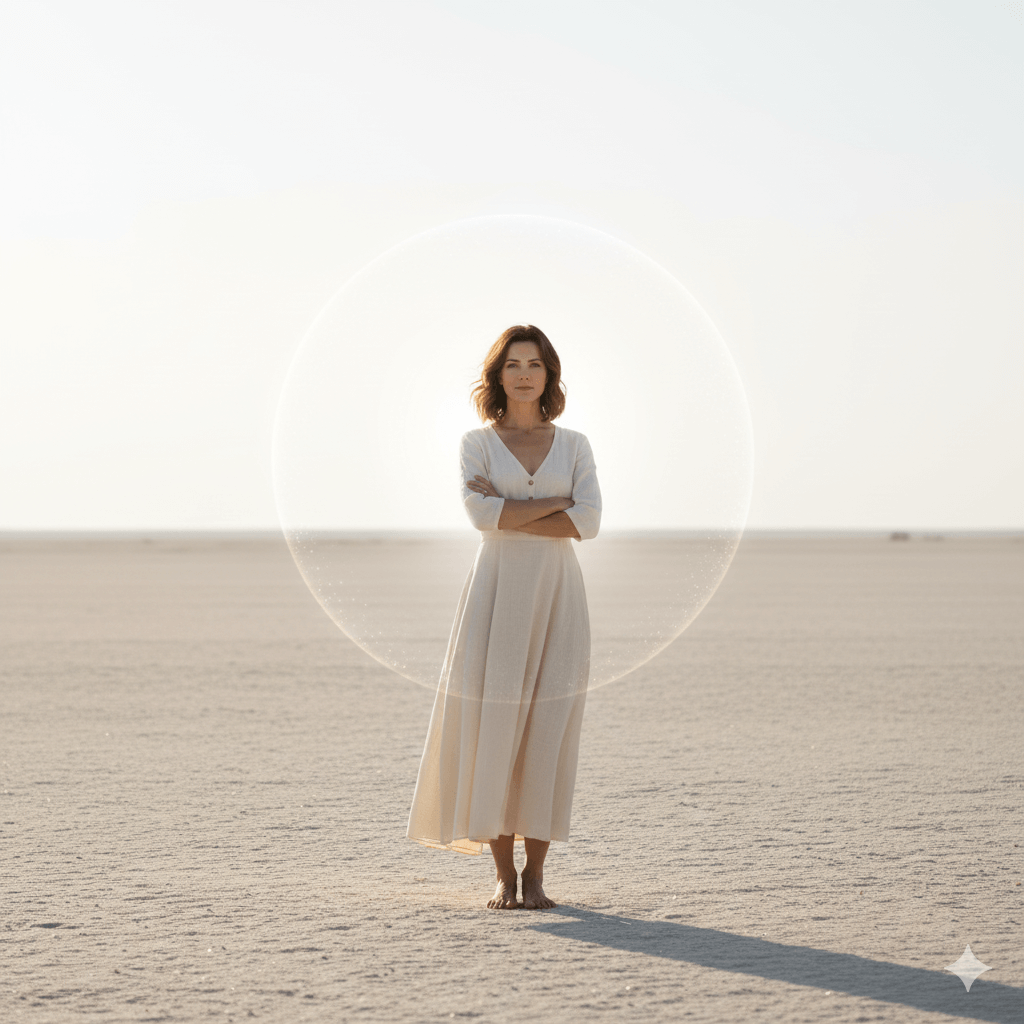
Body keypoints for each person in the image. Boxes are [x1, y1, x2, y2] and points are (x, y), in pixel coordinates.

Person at [406, 324, 601, 910]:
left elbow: (587, 523)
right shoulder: (477, 442)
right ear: (498, 376)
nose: (523, 374)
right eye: (513, 364)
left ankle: (537, 875)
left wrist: (510, 510)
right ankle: (502, 875)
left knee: (547, 732)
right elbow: (478, 515)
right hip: (493, 598)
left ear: (549, 374)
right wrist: (553, 502)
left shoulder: (575, 445)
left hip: (558, 597)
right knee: (494, 730)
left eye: (534, 364)